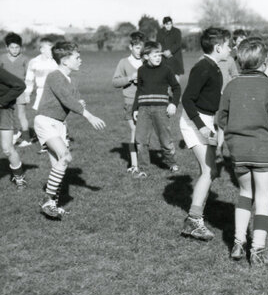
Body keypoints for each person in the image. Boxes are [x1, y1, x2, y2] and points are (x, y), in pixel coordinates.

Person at [217, 37, 268, 264]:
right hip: (265, 149)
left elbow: (221, 119)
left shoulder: (231, 86)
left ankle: (238, 242)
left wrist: (230, 139)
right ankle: (257, 248)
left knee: (245, 194)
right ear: (264, 61)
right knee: (264, 197)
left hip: (238, 150)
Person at [33, 41, 106, 220]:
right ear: (65, 61)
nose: (80, 60)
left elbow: (73, 99)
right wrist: (89, 116)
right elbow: (67, 100)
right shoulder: (54, 76)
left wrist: (79, 103)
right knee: (65, 157)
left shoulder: (69, 80)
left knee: (57, 165)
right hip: (46, 122)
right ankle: (47, 200)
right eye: (77, 57)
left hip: (59, 124)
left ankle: (52, 206)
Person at [178, 27, 231, 241]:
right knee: (209, 170)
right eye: (228, 45)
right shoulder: (203, 67)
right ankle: (194, 220)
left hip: (205, 120)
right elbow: (187, 99)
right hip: (193, 122)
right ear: (218, 47)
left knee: (212, 170)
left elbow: (212, 97)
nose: (231, 49)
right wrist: (201, 126)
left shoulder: (214, 66)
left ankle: (197, 214)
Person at [132, 41, 181, 176]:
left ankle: (172, 163)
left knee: (165, 141)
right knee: (141, 141)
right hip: (143, 110)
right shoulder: (141, 70)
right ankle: (143, 169)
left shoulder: (166, 70)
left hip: (161, 109)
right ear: (146, 57)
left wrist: (173, 104)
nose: (158, 57)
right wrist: (135, 109)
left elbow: (176, 88)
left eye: (159, 55)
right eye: (155, 55)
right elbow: (139, 90)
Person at [110, 31, 145, 173]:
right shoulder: (123, 63)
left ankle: (142, 162)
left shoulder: (146, 61)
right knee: (135, 131)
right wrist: (130, 77)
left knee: (143, 134)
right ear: (131, 47)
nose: (140, 51)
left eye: (142, 48)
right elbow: (115, 82)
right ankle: (135, 165)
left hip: (145, 101)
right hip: (130, 101)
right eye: (137, 47)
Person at [1, 33, 32, 147]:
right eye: (12, 47)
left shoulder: (25, 59)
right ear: (7, 47)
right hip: (6, 92)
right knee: (8, 114)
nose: (14, 50)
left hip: (21, 90)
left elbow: (29, 77)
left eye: (17, 47)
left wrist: (28, 92)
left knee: (21, 115)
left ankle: (27, 139)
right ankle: (13, 134)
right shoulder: (2, 58)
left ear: (21, 47)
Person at [0, 65, 27, 190]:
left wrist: (2, 101)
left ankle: (19, 178)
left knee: (7, 149)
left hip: (4, 111)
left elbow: (20, 85)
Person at [25, 36, 59, 115]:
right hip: (41, 93)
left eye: (53, 49)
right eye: (50, 49)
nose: (53, 51)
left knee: (58, 119)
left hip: (55, 94)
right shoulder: (34, 62)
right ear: (42, 50)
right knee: (42, 117)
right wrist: (27, 94)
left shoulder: (56, 63)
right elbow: (29, 80)